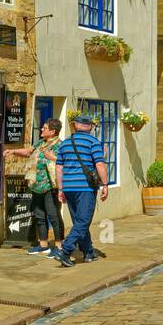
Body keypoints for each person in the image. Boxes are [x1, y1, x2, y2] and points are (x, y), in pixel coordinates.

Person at [52, 114, 110, 267]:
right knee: (83, 222)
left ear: (76, 125)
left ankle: (89, 252)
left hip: (69, 187)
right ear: (90, 126)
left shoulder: (64, 144)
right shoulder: (93, 142)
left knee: (79, 221)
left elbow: (59, 168)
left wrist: (61, 188)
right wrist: (105, 184)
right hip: (85, 188)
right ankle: (65, 251)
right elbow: (99, 164)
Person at [4, 119, 64, 254]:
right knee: (39, 215)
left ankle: (59, 246)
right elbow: (28, 152)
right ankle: (43, 245)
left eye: (44, 128)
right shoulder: (40, 143)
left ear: (52, 131)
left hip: (51, 186)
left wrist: (53, 158)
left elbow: (65, 163)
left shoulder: (60, 145)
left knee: (53, 216)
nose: (42, 130)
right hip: (36, 184)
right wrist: (12, 151)